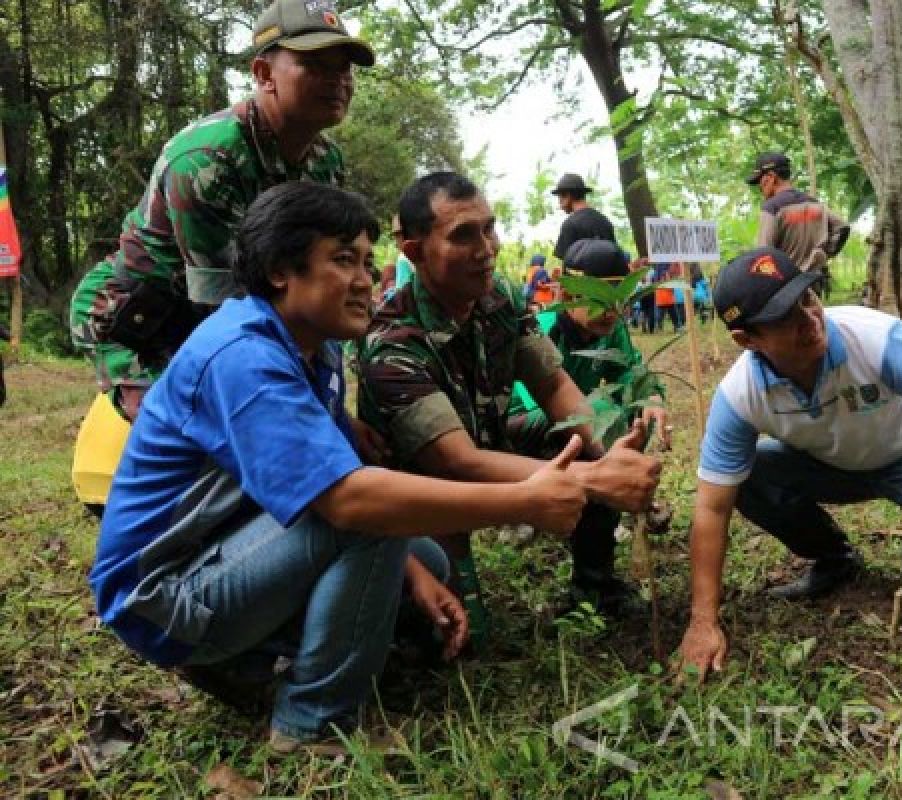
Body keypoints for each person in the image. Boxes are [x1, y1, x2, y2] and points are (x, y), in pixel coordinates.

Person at [90, 182, 588, 754]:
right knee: (371, 519)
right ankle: (311, 722)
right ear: (282, 270)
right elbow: (349, 500)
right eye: (344, 260)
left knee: (421, 557)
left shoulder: (313, 346)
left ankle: (252, 662)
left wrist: (412, 571)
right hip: (161, 594)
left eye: (368, 262)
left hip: (218, 552)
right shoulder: (242, 356)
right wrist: (527, 500)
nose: (365, 280)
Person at [679, 247, 902, 679]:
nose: (809, 319)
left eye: (808, 300)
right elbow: (711, 508)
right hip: (828, 465)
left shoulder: (875, 337)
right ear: (747, 339)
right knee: (744, 476)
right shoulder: (740, 395)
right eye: (784, 318)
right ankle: (833, 557)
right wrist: (703, 621)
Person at [357, 172, 660, 630]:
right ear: (414, 252)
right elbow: (455, 462)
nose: (486, 249)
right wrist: (595, 477)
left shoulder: (499, 297)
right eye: (463, 236)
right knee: (449, 638)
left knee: (580, 440)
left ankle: (594, 587)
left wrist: (604, 450)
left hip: (490, 444)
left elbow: (554, 386)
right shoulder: (391, 341)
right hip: (423, 492)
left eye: (488, 228)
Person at [69, 0, 372, 422]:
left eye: (344, 68)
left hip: (223, 308)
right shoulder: (207, 159)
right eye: (316, 65)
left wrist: (334, 412)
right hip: (140, 318)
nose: (337, 80)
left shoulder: (324, 160)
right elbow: (225, 312)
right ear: (264, 75)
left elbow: (315, 278)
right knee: (193, 434)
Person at [507, 238, 670, 454]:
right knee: (601, 411)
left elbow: (629, 372)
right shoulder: (543, 330)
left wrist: (649, 395)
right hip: (524, 422)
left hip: (576, 416)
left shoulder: (611, 328)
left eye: (619, 299)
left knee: (639, 409)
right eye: (600, 301)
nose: (612, 312)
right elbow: (542, 402)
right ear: (567, 295)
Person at [747, 152, 849, 298]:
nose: (759, 187)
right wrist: (825, 253)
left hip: (787, 287)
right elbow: (842, 227)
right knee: (813, 318)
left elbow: (764, 253)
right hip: (813, 282)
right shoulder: (814, 203)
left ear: (771, 177)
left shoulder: (772, 208)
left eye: (760, 181)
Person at [550, 172, 617, 261]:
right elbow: (614, 255)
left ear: (568, 196)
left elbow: (567, 262)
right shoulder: (604, 221)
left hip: (581, 275)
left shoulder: (570, 224)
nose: (559, 201)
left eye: (560, 196)